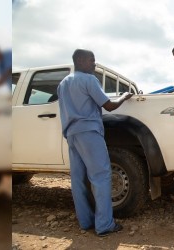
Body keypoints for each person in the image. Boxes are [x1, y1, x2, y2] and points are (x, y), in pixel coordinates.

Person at [57, 49, 133, 237]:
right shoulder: (89, 80)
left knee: (78, 179)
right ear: (81, 60)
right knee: (101, 176)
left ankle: (85, 221)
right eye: (92, 60)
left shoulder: (63, 83)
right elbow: (108, 105)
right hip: (89, 132)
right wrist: (124, 96)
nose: (94, 64)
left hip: (72, 134)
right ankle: (105, 225)